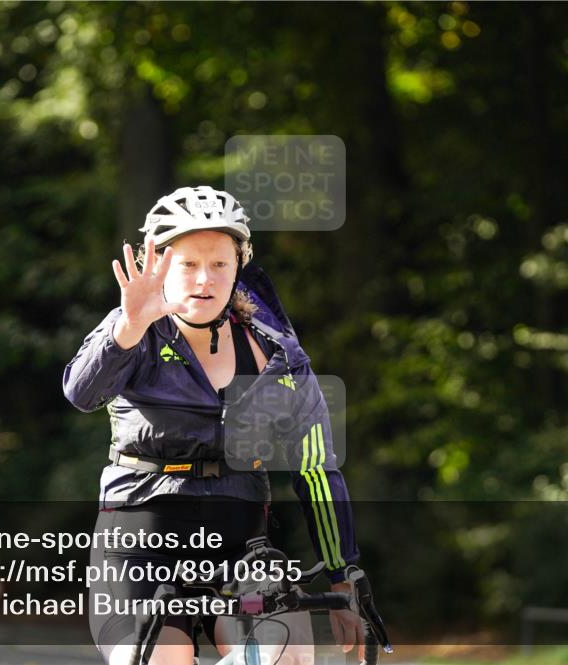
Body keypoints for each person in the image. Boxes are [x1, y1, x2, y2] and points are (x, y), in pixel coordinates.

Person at [63, 185, 363, 665]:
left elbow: (315, 470)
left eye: (219, 264)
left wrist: (342, 574)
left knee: (287, 654)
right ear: (160, 263)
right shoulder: (134, 326)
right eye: (187, 264)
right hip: (140, 540)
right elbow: (81, 392)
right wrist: (128, 328)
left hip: (242, 543)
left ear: (239, 265)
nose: (204, 279)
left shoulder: (277, 353)